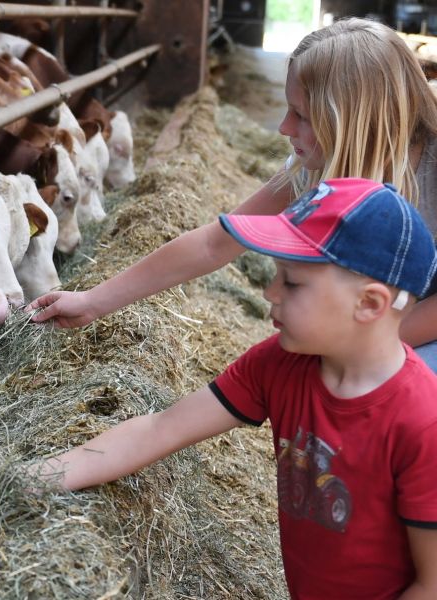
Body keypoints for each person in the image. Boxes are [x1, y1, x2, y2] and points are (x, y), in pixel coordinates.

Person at [29, 178, 437, 599]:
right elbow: (160, 429)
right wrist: (43, 475)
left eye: (292, 282)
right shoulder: (279, 365)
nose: (269, 292)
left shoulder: (423, 423)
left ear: (369, 304)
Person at [27, 17, 437, 370]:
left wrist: (359, 348)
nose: (282, 128)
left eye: (301, 116)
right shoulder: (315, 170)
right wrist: (94, 301)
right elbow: (213, 243)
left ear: (350, 121)